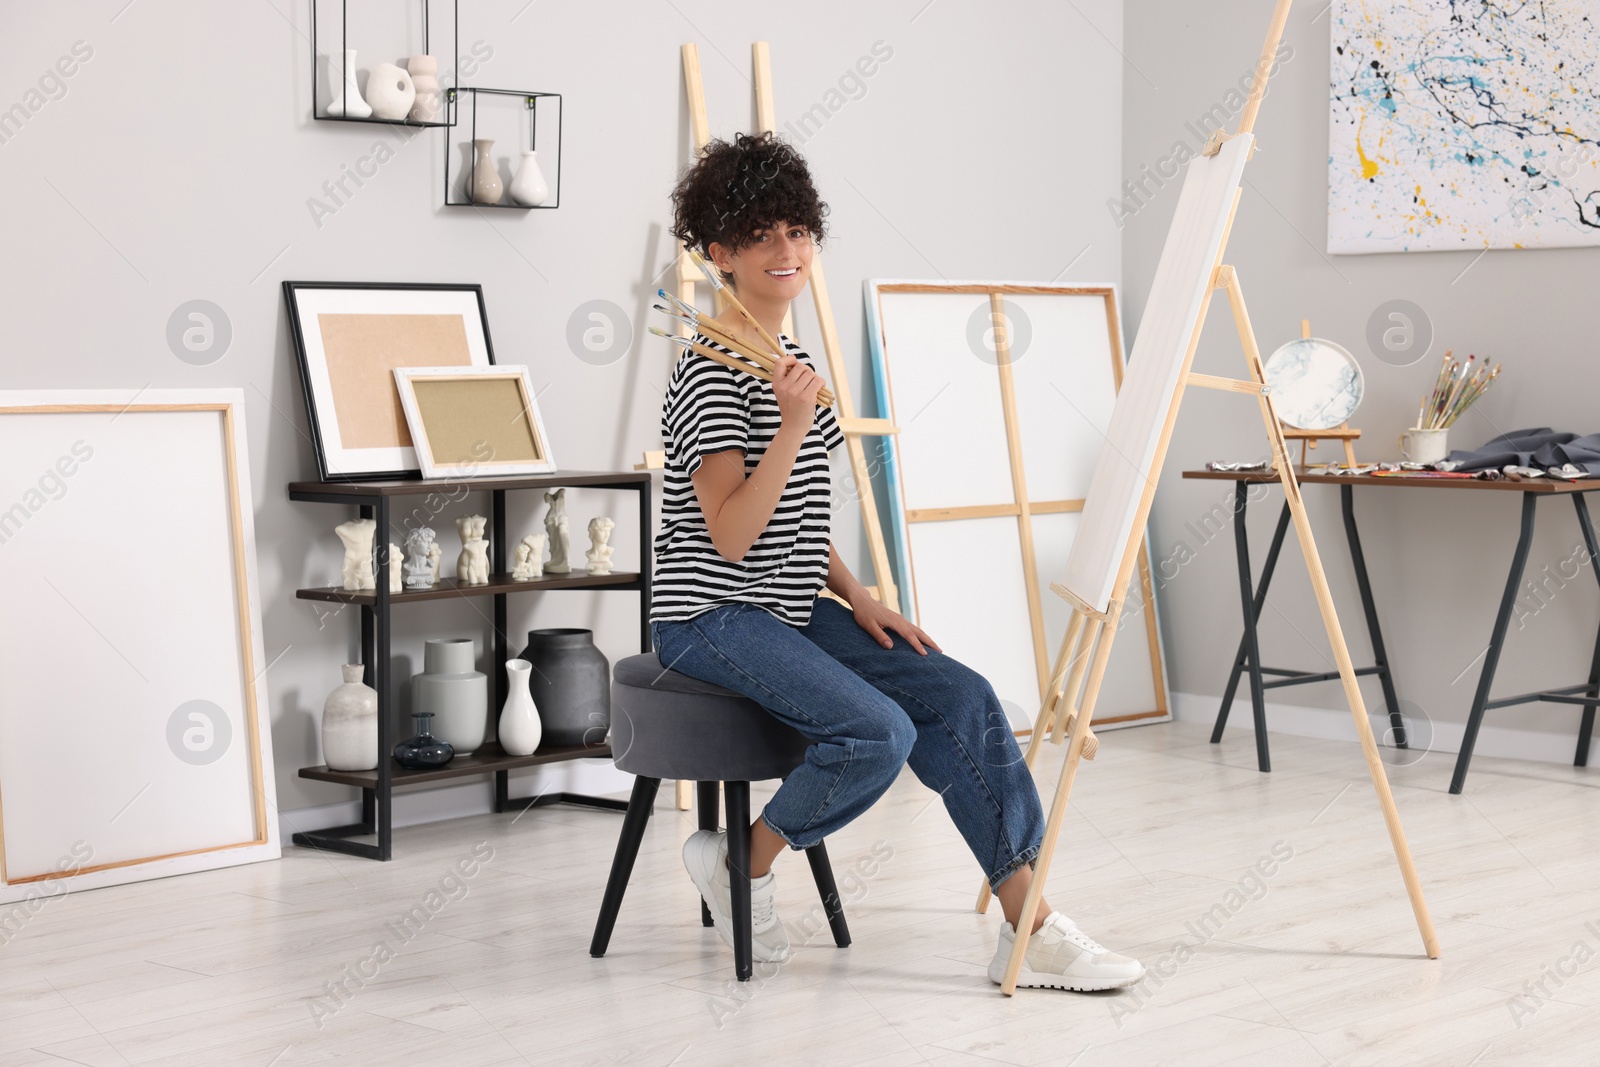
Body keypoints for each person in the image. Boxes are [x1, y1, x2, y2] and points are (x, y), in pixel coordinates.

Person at [649, 131, 1143, 992]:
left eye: (798, 230)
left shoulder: (789, 363)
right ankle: (744, 862)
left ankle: (1030, 923)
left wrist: (857, 592)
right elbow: (730, 534)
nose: (786, 250)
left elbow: (796, 513)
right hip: (711, 618)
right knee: (879, 731)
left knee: (961, 692)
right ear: (719, 251)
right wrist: (794, 426)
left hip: (792, 606)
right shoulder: (710, 372)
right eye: (761, 234)